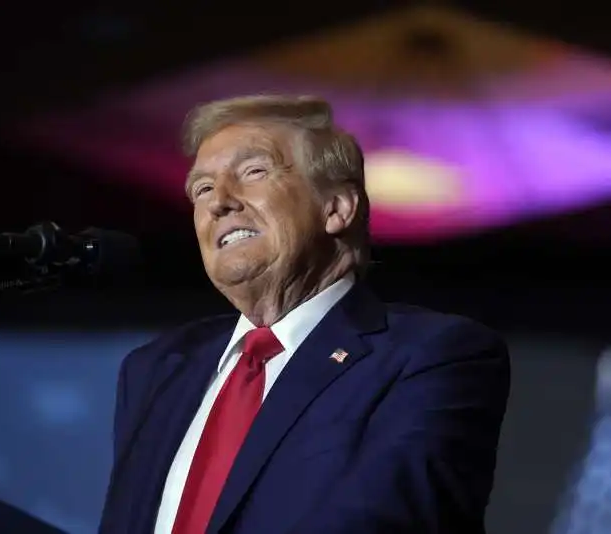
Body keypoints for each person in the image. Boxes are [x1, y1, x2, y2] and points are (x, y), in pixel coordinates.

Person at [98, 95, 510, 534]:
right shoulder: (155, 369)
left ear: (336, 208)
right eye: (201, 189)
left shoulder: (432, 356)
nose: (218, 202)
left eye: (253, 172)